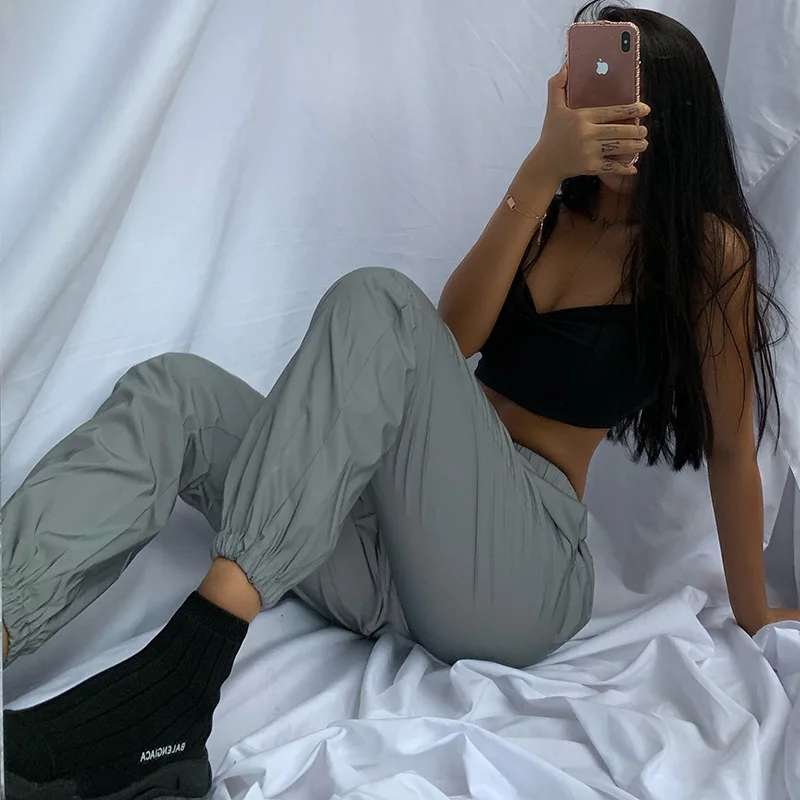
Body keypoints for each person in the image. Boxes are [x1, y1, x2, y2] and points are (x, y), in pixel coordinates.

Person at [4, 2, 797, 799]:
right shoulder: (551, 212)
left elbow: (732, 445)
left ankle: (183, 676)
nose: (589, 102)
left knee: (378, 299)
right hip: (385, 546)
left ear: (664, 114)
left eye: (613, 87)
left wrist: (754, 607)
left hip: (517, 576)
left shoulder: (706, 250)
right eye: (584, 80)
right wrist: (540, 172)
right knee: (174, 391)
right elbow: (454, 338)